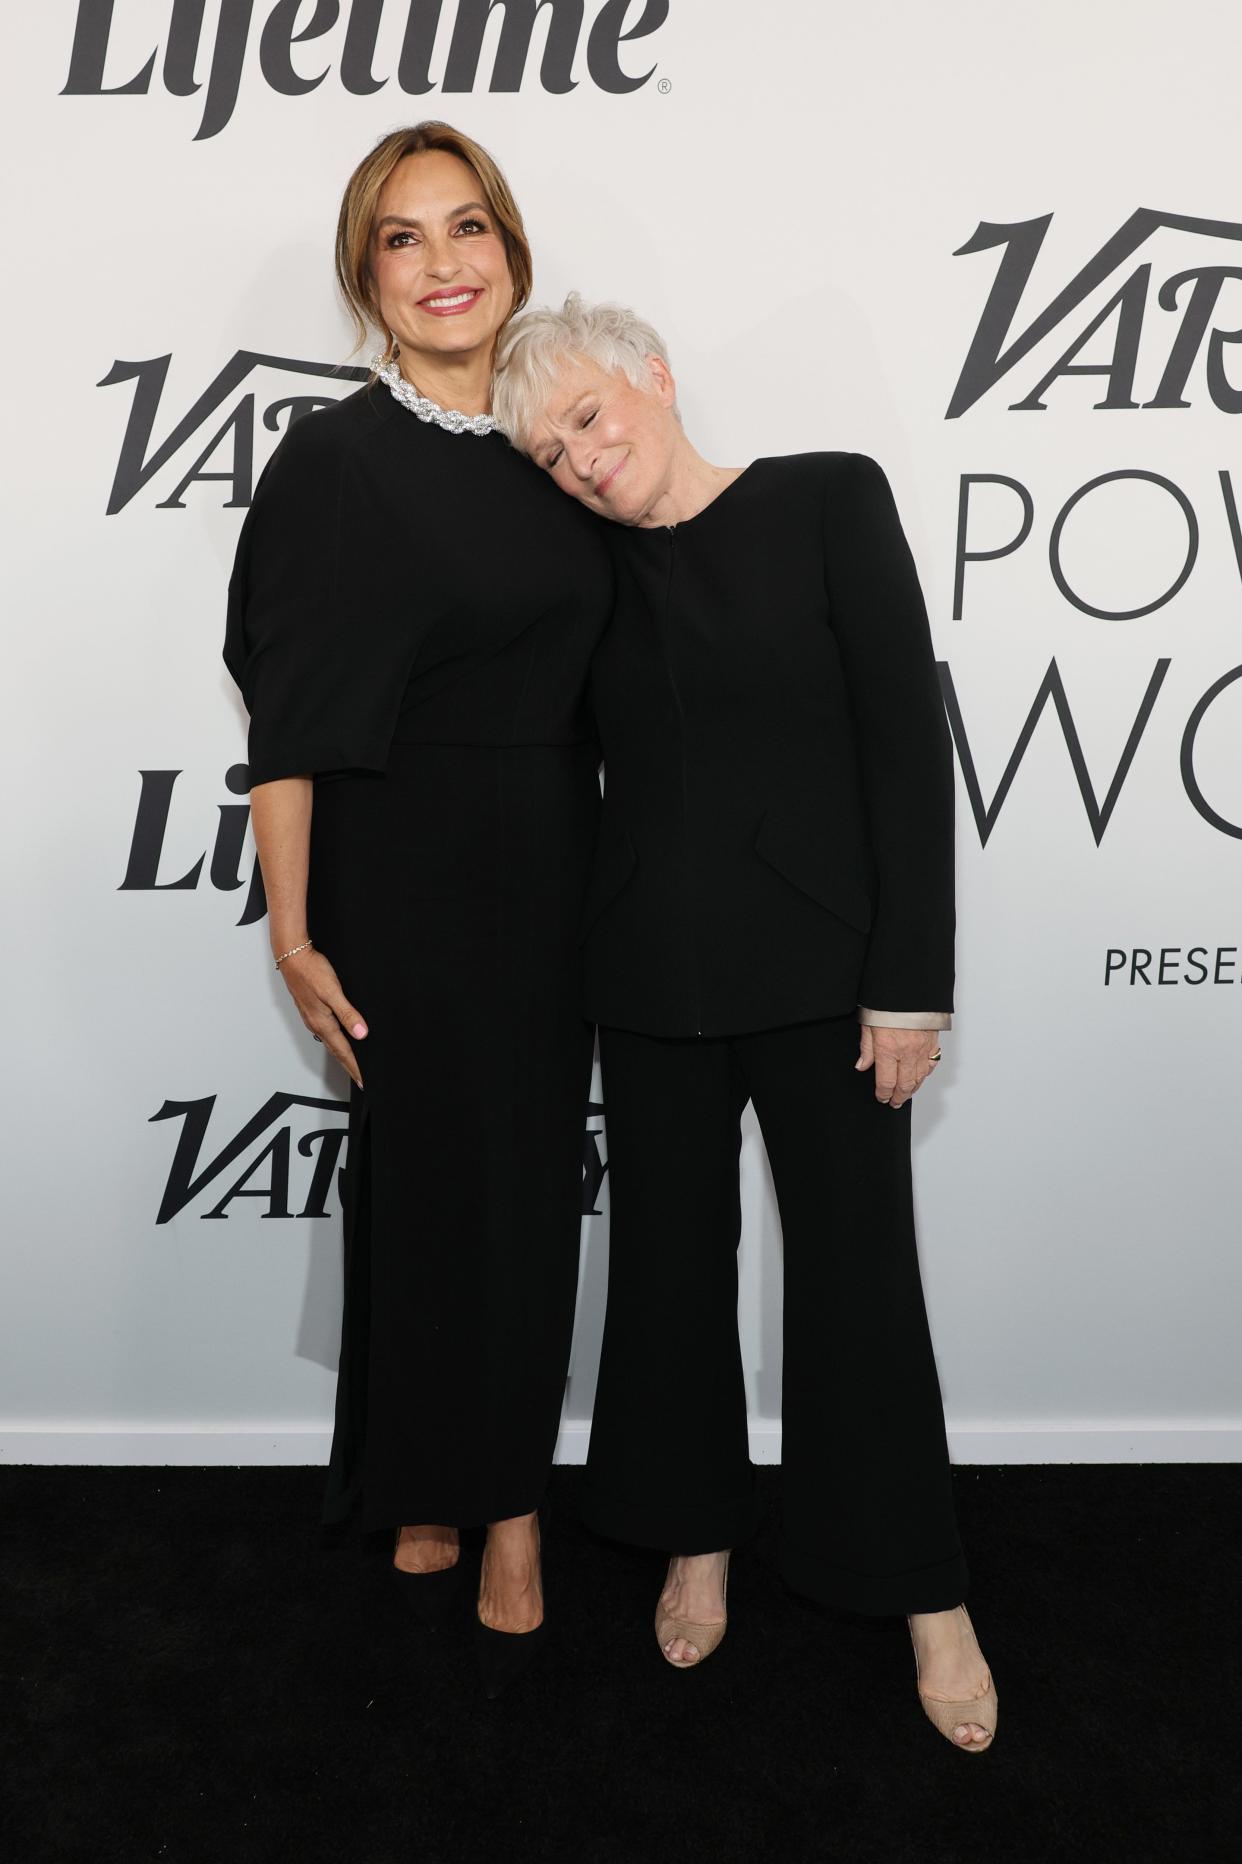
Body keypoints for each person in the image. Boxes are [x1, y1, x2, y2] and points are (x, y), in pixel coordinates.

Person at [491, 296, 998, 1751]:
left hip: (831, 980)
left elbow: (906, 748)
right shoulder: (580, 578)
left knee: (857, 1278)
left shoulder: (827, 499)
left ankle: (922, 1589)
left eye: (587, 416)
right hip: (646, 980)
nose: (580, 458)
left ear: (649, 376)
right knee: (664, 1275)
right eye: (548, 451)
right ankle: (694, 1532)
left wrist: (909, 982)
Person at [223, 133, 611, 1698]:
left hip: (562, 867)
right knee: (430, 1184)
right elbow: (292, 720)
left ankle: (503, 1503)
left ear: (510, 249)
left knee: (519, 1194)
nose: (444, 261)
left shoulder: (556, 434)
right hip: (401, 868)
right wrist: (293, 930)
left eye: (468, 228)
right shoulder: (334, 460)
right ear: (365, 278)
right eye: (402, 240)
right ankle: (422, 1477)